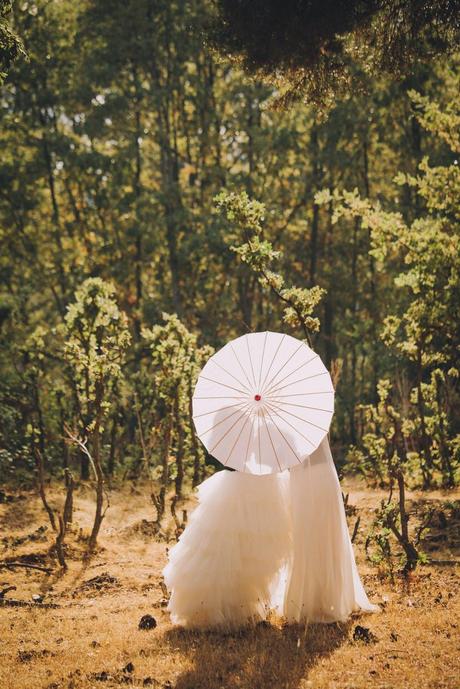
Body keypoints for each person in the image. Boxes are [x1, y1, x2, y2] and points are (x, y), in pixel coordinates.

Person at [163, 441, 377, 628]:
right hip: (251, 478)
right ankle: (227, 607)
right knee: (239, 550)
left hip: (264, 479)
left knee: (248, 553)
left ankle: (241, 606)